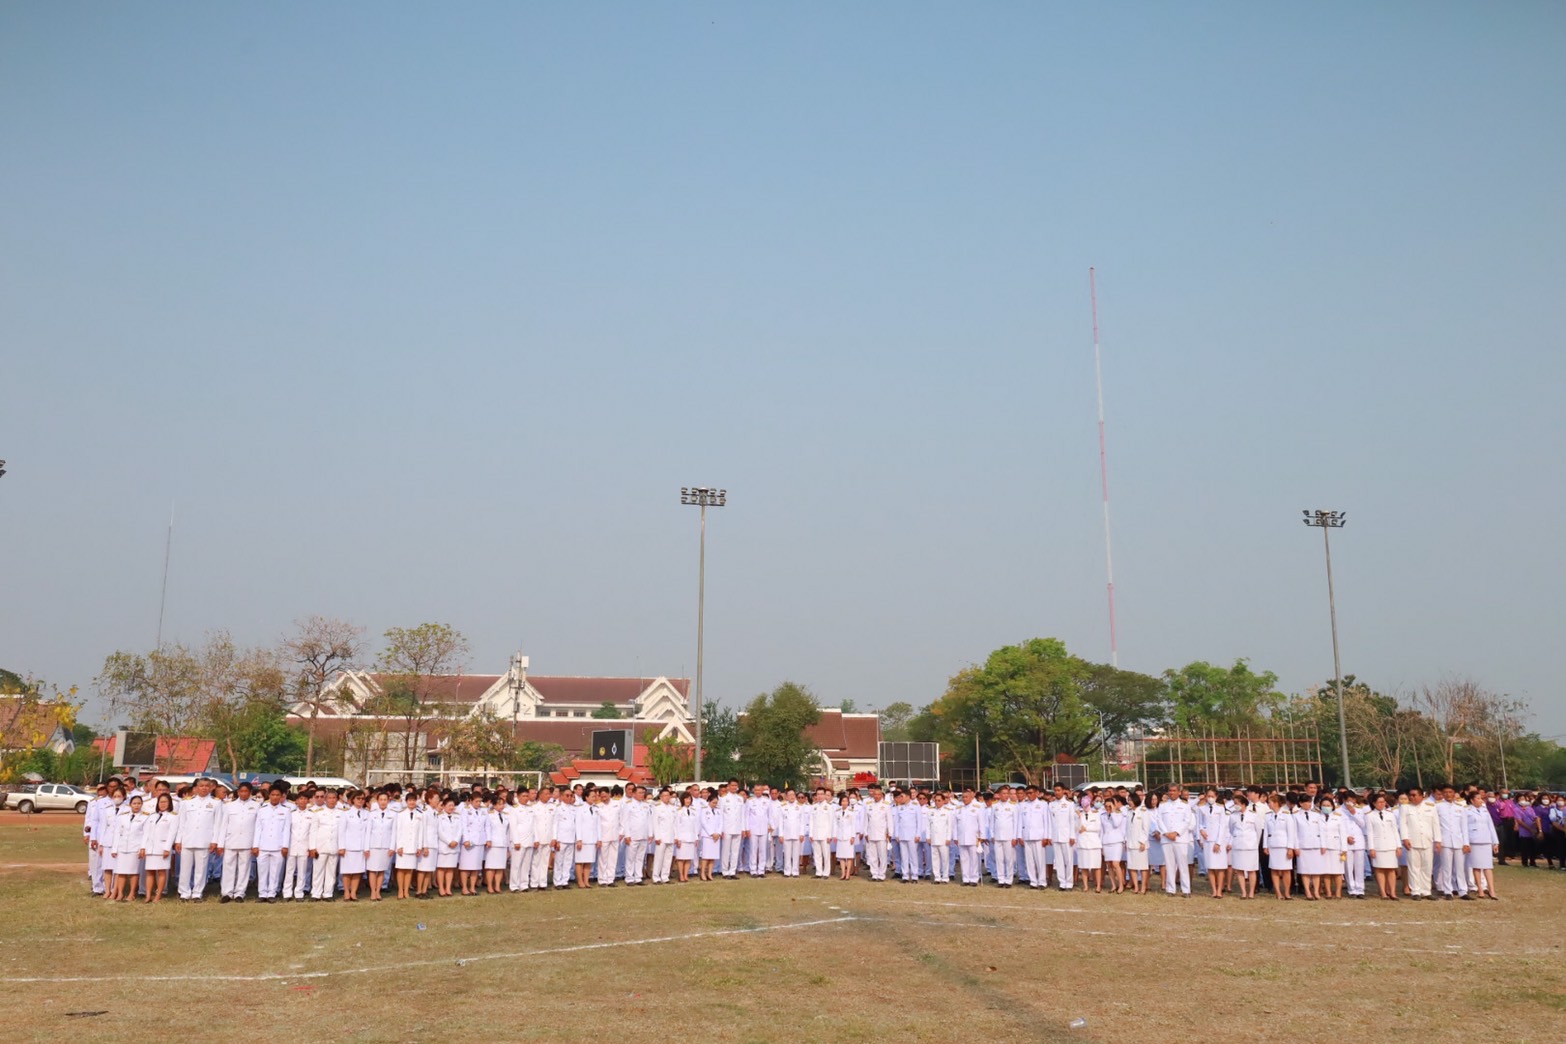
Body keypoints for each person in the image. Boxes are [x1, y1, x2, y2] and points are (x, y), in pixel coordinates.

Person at [174, 778, 221, 902]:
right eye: (201, 786)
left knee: (201, 869)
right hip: (187, 839)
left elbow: (217, 824)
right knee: (185, 868)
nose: (204, 788)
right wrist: (178, 840)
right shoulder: (187, 802)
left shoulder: (216, 803)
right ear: (196, 788)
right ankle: (184, 892)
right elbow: (181, 823)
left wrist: (215, 841)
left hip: (204, 840)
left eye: (206, 786)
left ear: (211, 788)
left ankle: (197, 893)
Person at [217, 782, 260, 903]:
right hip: (230, 840)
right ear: (238, 792)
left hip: (247, 841)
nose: (243, 794)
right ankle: (227, 892)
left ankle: (240, 893)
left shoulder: (257, 806)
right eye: (241, 791)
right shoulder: (229, 806)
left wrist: (255, 844)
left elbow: (258, 827)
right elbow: (224, 826)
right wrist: (220, 844)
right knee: (228, 867)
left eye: (246, 791)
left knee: (244, 868)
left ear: (250, 792)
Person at [1399, 787, 1440, 900]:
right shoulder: (1405, 807)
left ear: (1422, 796)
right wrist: (1405, 838)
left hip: (1427, 840)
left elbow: (1435, 824)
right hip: (1412, 841)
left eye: (1414, 795)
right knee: (1414, 867)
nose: (1412, 797)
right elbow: (1403, 824)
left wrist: (1438, 840)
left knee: (1427, 866)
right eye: (1410, 795)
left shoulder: (1430, 807)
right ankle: (1415, 891)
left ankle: (1426, 891)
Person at [1155, 787, 1194, 896]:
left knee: (1183, 864)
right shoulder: (1163, 805)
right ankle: (1171, 889)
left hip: (1180, 838)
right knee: (1169, 864)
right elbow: (1159, 820)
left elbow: (1187, 821)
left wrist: (1176, 832)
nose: (1171, 793)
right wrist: (1166, 833)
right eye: (1170, 791)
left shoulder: (1185, 805)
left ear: (1179, 792)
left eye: (1174, 791)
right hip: (1166, 838)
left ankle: (1186, 889)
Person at [110, 794, 148, 902]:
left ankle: (132, 893)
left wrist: (142, 847)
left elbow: (146, 834)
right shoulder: (122, 816)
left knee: (134, 872)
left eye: (139, 803)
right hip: (122, 847)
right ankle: (120, 893)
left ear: (142, 804)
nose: (136, 806)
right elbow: (117, 833)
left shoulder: (145, 817)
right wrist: (114, 848)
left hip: (135, 848)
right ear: (130, 804)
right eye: (134, 803)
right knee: (121, 871)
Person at [142, 794, 178, 904]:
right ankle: (148, 895)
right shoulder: (152, 816)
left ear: (169, 803)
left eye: (165, 802)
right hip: (150, 848)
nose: (163, 804)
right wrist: (143, 847)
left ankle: (158, 895)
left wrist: (167, 848)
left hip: (162, 848)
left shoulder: (173, 817)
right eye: (161, 802)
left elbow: (172, 834)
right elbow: (146, 833)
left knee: (161, 872)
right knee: (150, 872)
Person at [1466, 790, 1500, 899]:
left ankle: (1491, 890)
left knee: (1488, 866)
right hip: (1474, 840)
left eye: (1481, 798)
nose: (1481, 800)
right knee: (1476, 866)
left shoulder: (1485, 810)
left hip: (1486, 840)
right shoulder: (1467, 810)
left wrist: (1495, 842)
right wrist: (1466, 842)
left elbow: (1491, 826)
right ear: (1472, 800)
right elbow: (1464, 828)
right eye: (1478, 798)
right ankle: (1480, 889)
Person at [1263, 794, 1297, 901]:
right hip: (1273, 845)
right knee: (1274, 869)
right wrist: (1265, 846)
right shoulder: (1268, 815)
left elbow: (1291, 833)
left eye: (1270, 802)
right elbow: (1266, 832)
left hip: (1284, 846)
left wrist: (1290, 848)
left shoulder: (1287, 815)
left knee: (1286, 870)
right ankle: (1278, 892)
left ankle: (1287, 892)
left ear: (1276, 803)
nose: (1269, 804)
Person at [1228, 794, 1262, 899]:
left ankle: (1251, 892)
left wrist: (1255, 843)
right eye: (1234, 803)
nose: (1235, 805)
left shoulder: (1253, 815)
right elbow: (1231, 829)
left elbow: (1258, 831)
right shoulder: (1233, 816)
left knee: (1251, 870)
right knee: (1239, 870)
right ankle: (1243, 892)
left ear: (1243, 804)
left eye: (1237, 803)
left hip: (1251, 846)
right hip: (1238, 845)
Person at [283, 790, 314, 902]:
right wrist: (285, 845)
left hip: (304, 846)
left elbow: (312, 833)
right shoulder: (291, 814)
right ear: (296, 801)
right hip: (292, 845)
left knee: (302, 871)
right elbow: (287, 830)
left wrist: (311, 847)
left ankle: (299, 893)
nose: (303, 801)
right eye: (300, 799)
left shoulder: (311, 815)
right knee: (289, 870)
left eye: (305, 799)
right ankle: (287, 893)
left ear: (308, 801)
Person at [649, 789, 677, 885]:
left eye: (668, 795)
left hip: (671, 836)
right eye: (664, 795)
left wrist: (676, 836)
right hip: (661, 836)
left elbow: (675, 824)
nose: (667, 797)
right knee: (659, 858)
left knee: (668, 858)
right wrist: (657, 837)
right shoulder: (657, 808)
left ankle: (665, 876)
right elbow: (655, 823)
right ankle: (656, 877)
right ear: (660, 797)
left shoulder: (673, 808)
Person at [1076, 801, 1104, 893]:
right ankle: (1085, 886)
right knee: (1084, 866)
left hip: (1094, 843)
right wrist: (1079, 817)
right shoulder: (1079, 814)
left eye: (1087, 805)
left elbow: (1098, 828)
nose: (1085, 807)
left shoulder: (1096, 814)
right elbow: (1077, 827)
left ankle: (1098, 886)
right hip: (1083, 842)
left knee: (1096, 866)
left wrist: (1087, 829)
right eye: (1083, 805)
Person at [674, 792, 700, 882]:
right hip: (682, 838)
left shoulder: (693, 811)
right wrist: (677, 838)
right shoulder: (679, 811)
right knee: (681, 858)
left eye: (689, 799)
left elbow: (696, 826)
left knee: (688, 858)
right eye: (686, 799)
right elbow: (676, 825)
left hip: (691, 837)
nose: (688, 801)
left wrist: (696, 838)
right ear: (682, 800)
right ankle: (681, 875)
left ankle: (685, 875)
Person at [833, 793, 859, 881]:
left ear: (848, 802)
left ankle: (848, 874)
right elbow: (835, 825)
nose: (844, 803)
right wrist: (835, 835)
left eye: (846, 801)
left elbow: (853, 825)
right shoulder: (837, 812)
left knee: (849, 856)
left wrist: (853, 836)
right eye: (843, 801)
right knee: (841, 856)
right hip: (840, 836)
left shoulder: (851, 812)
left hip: (848, 836)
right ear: (840, 802)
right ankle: (843, 873)